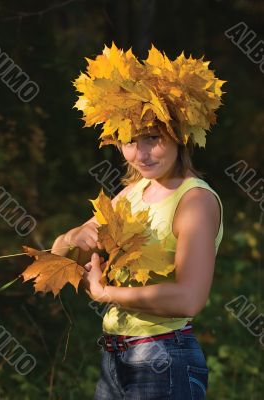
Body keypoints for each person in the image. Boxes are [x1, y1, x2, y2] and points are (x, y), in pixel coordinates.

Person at [52, 43, 225, 399]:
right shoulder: (130, 194)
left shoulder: (194, 201)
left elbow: (189, 299)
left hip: (164, 357)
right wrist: (74, 236)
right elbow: (60, 256)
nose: (139, 153)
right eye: (128, 140)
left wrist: (105, 293)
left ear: (180, 133)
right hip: (115, 356)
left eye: (152, 138)